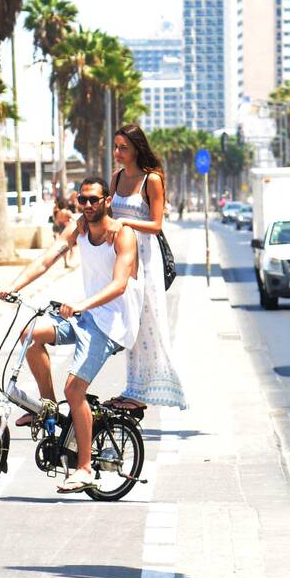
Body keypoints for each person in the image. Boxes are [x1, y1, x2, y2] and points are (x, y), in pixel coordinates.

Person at [0, 177, 141, 493]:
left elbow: (119, 284)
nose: (88, 206)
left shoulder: (122, 235)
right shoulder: (79, 227)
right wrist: (14, 286)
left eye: (94, 200)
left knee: (74, 389)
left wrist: (79, 305)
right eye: (83, 200)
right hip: (86, 315)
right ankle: (47, 407)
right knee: (30, 333)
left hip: (112, 323)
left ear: (107, 201)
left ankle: (85, 467)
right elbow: (48, 258)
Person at [105, 123, 188, 412]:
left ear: (137, 148)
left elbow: (155, 225)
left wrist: (124, 222)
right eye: (115, 146)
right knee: (131, 323)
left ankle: (150, 390)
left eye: (123, 147)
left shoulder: (151, 180)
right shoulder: (115, 179)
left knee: (149, 324)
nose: (117, 152)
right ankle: (133, 388)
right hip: (122, 258)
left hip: (146, 260)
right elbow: (109, 214)